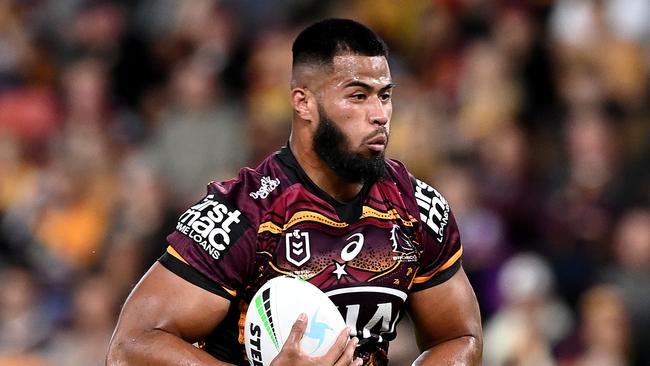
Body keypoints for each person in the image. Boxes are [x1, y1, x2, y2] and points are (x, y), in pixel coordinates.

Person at [106, 18, 482, 366]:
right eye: (358, 96)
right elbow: (131, 345)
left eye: (384, 95)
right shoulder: (242, 215)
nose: (380, 114)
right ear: (303, 102)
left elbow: (460, 336)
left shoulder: (416, 208)